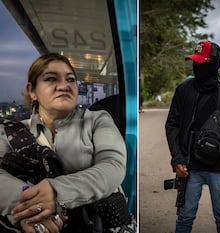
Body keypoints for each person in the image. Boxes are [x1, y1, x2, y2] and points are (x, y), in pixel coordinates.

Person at [0, 53, 127, 233]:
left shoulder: (96, 120)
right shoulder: (11, 132)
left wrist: (57, 191)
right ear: (32, 91)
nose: (64, 85)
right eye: (51, 79)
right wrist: (30, 209)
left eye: (71, 79)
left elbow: (113, 166)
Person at [165, 40, 220, 233]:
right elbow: (172, 126)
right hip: (189, 167)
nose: (197, 67)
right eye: (195, 62)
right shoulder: (183, 90)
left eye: (201, 63)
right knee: (184, 219)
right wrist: (177, 158)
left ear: (214, 64)